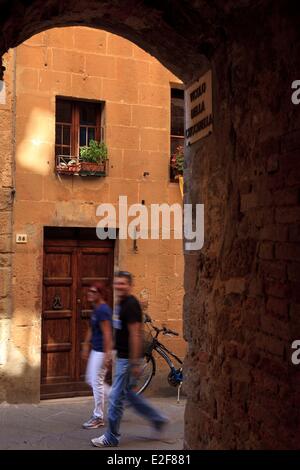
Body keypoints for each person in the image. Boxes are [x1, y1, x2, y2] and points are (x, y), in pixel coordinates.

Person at [91, 271, 168, 447]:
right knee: (129, 396)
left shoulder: (131, 304)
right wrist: (111, 353)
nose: (119, 286)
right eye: (117, 283)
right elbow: (119, 331)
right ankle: (158, 419)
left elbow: (135, 334)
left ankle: (111, 436)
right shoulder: (120, 303)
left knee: (116, 398)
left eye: (123, 283)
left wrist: (134, 363)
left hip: (128, 360)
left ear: (130, 285)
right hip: (123, 358)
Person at [81, 281, 113, 429]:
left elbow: (107, 333)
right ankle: (117, 397)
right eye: (89, 291)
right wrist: (86, 345)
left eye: (93, 292)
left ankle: (98, 417)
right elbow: (91, 329)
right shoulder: (96, 309)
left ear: (100, 294)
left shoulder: (103, 310)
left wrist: (107, 355)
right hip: (96, 350)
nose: (90, 294)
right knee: (91, 379)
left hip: (101, 351)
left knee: (97, 382)